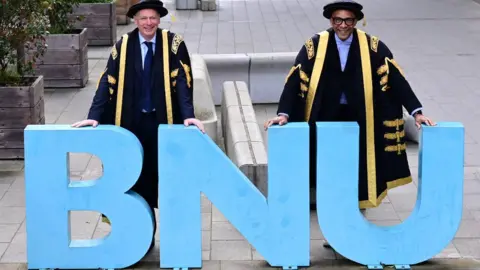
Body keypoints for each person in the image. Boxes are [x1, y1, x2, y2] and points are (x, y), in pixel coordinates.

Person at [264, 0, 435, 213]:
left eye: (348, 20)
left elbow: (397, 79)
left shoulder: (372, 46)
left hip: (361, 116)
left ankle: (356, 207)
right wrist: (284, 113)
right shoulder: (315, 45)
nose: (343, 25)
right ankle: (329, 208)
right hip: (325, 116)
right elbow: (295, 80)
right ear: (331, 20)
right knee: (325, 162)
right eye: (338, 20)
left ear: (356, 22)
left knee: (360, 162)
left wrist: (416, 112)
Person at [72, 0, 204, 248]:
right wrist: (94, 115)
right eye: (143, 18)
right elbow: (107, 82)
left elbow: (183, 83)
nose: (148, 23)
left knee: (168, 180)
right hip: (131, 125)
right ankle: (141, 239)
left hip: (163, 124)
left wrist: (188, 114)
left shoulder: (173, 44)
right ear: (135, 20)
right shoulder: (123, 45)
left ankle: (177, 241)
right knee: (134, 181)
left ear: (159, 19)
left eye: (153, 18)